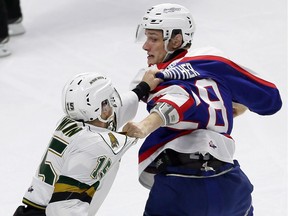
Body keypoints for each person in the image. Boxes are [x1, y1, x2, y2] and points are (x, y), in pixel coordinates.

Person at [123, 3, 282, 216]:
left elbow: (181, 102)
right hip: (231, 184)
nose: (145, 46)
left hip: (180, 185)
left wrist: (145, 125)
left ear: (176, 40)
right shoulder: (211, 59)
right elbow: (270, 100)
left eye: (153, 38)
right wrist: (236, 102)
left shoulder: (155, 74)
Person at [13, 71, 161, 216]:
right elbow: (64, 207)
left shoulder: (75, 121)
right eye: (110, 99)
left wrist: (142, 88)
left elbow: (118, 109)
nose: (114, 103)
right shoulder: (93, 147)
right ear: (101, 107)